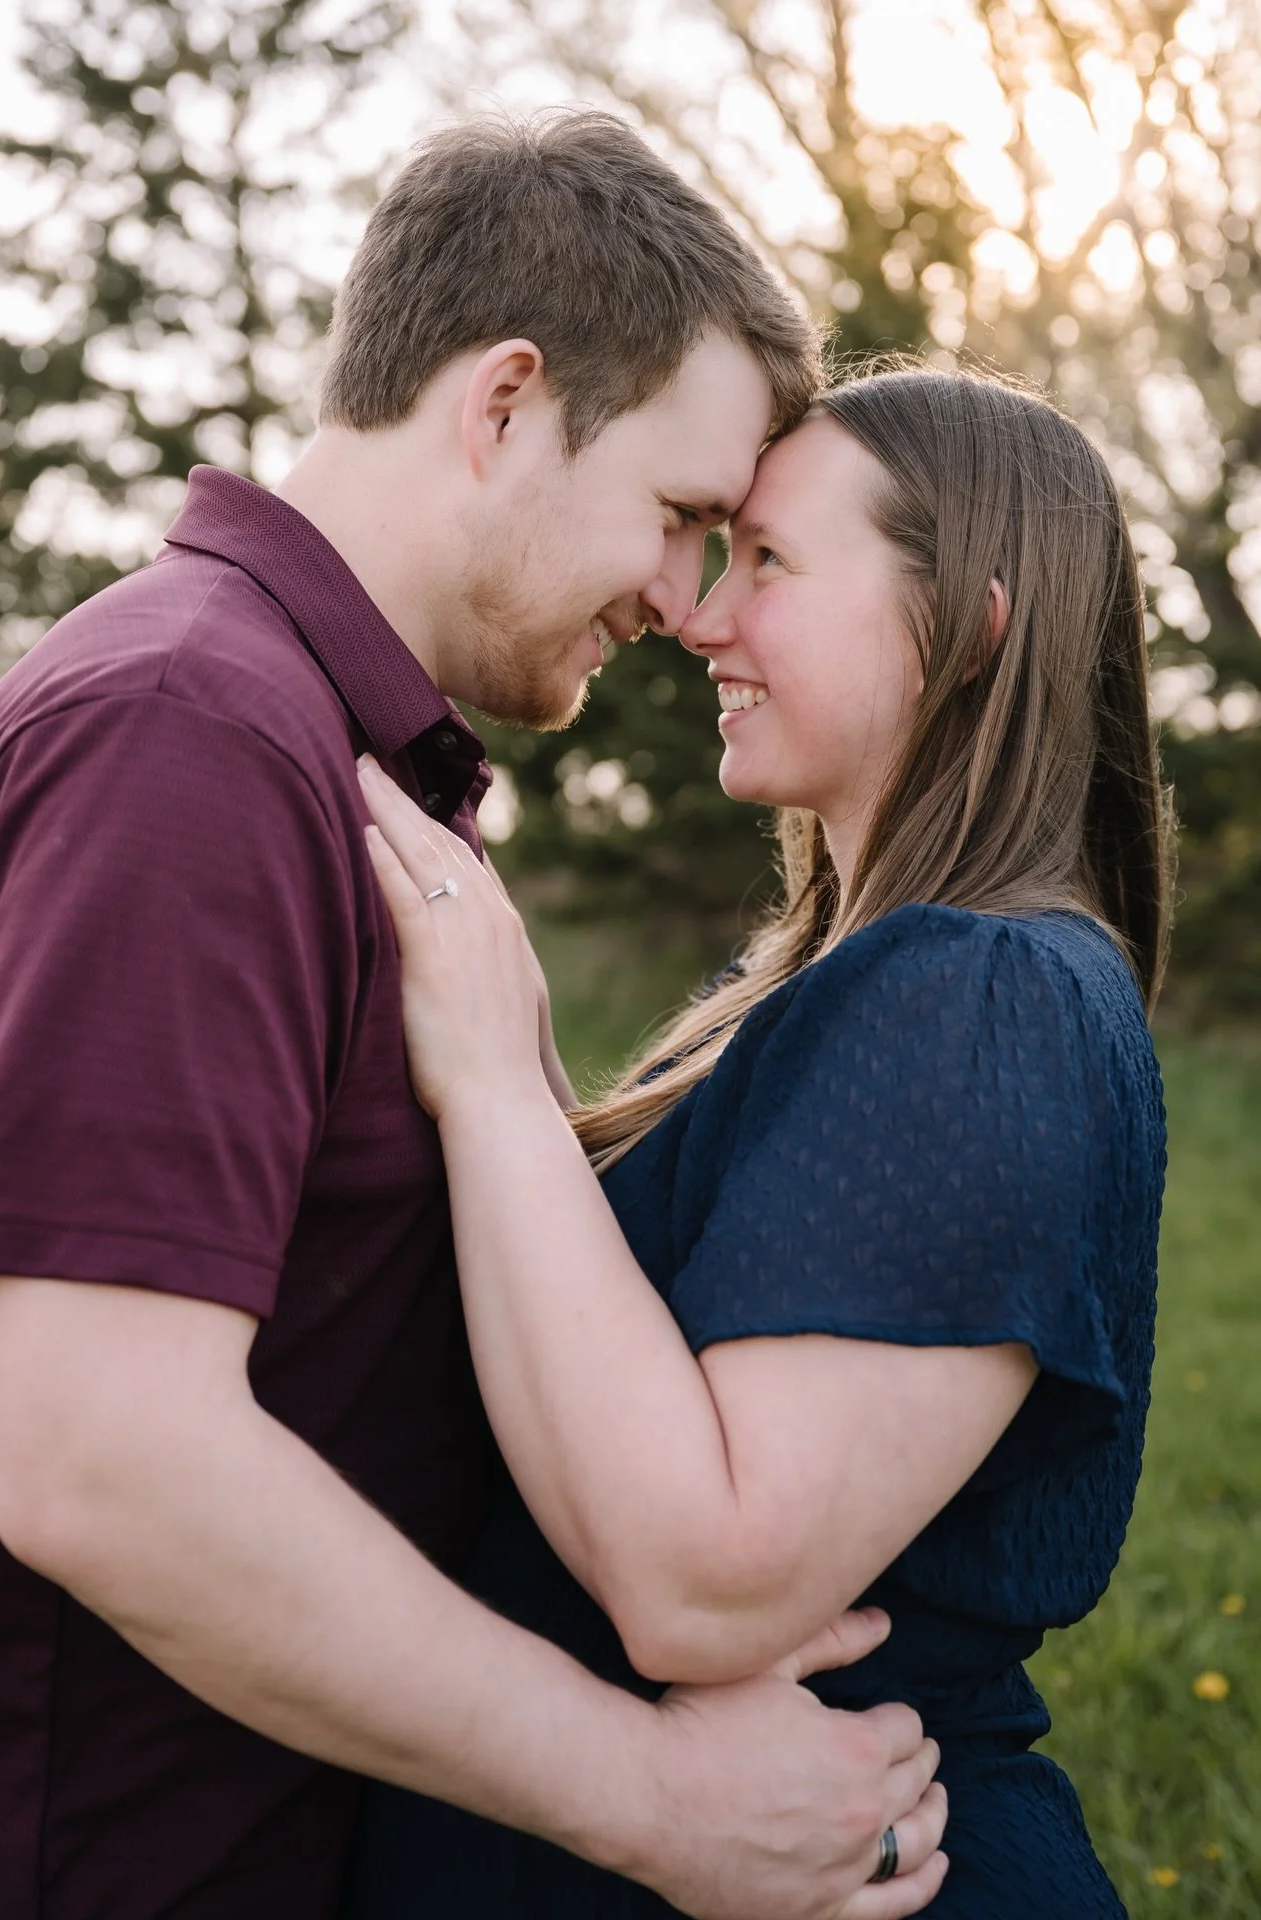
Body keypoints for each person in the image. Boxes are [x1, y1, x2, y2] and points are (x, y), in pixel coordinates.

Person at [0, 115, 948, 1919]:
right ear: (504, 403)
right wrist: (658, 1797)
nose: (682, 602)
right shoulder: (186, 734)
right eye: (675, 518)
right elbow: (109, 1461)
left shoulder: (331, 756)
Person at [349, 364, 1170, 1917]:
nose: (702, 617)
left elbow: (699, 1580)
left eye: (771, 563)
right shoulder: (842, 981)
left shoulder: (984, 996)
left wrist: (498, 1092)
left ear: (973, 623)